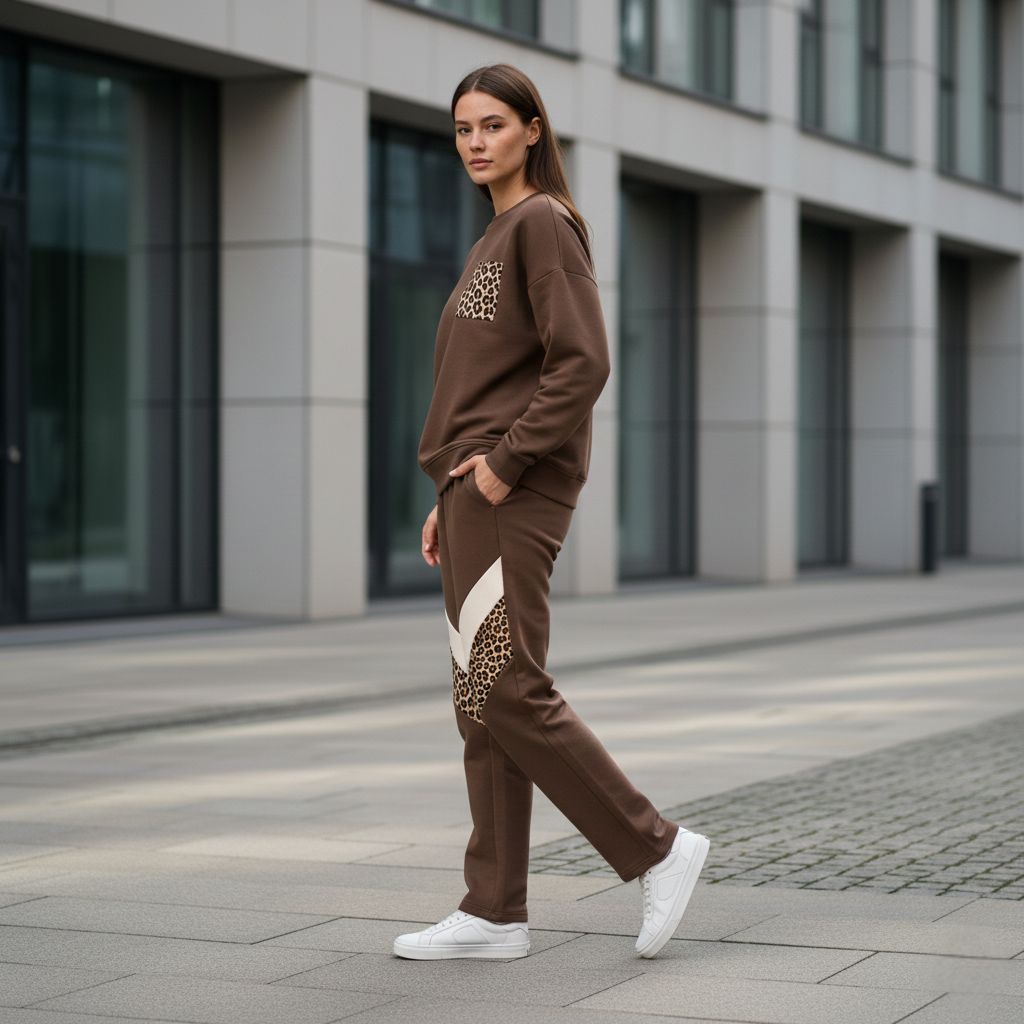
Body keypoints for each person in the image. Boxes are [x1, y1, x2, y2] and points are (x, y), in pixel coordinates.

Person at [394, 63, 710, 962]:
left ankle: (656, 846)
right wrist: (452, 488)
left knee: (506, 685)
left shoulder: (540, 225)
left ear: (534, 130)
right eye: (462, 129)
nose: (476, 142)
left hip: (511, 488)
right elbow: (490, 383)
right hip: (474, 491)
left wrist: (499, 469)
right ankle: (494, 911)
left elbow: (583, 363)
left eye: (493, 124)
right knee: (479, 701)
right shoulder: (495, 234)